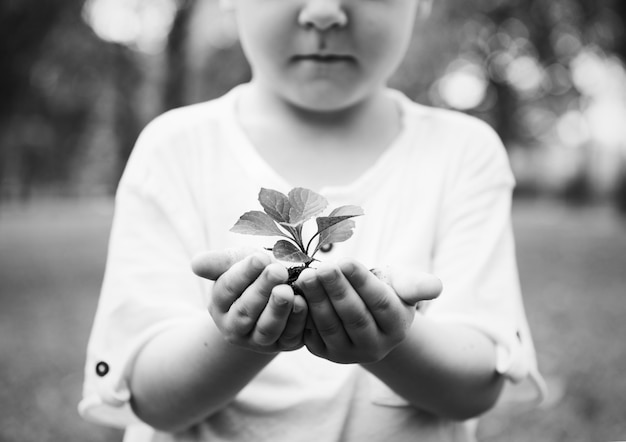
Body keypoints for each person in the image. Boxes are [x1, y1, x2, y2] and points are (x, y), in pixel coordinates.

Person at [79, 0, 546, 440]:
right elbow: (149, 395)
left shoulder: (463, 153)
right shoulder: (172, 150)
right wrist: (234, 335)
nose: (324, 12)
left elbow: (477, 384)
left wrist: (394, 337)